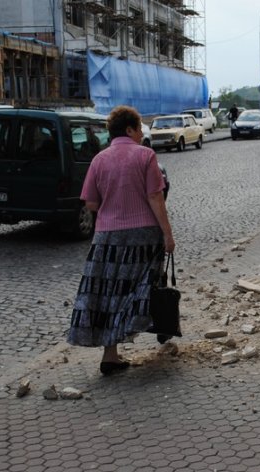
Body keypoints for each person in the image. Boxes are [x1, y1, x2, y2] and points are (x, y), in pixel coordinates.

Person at [67, 105, 175, 375]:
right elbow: (155, 198)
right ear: (129, 129)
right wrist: (167, 234)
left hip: (106, 237)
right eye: (139, 129)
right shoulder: (146, 156)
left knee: (108, 292)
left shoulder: (98, 160)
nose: (141, 134)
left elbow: (91, 203)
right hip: (143, 236)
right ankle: (160, 329)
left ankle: (110, 355)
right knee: (142, 289)